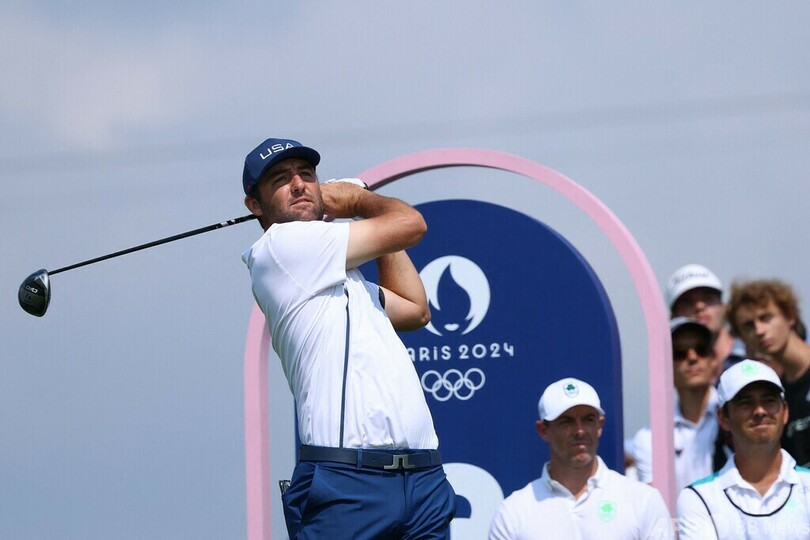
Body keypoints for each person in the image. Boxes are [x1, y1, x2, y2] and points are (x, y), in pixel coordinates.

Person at [240, 138, 455, 539]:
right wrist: (357, 201)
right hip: (346, 481)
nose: (299, 184)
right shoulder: (281, 249)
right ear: (255, 205)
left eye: (307, 174)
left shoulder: (346, 281)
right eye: (281, 179)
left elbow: (415, 309)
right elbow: (411, 224)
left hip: (423, 479)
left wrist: (363, 213)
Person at [489, 377, 673, 540]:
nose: (579, 431)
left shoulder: (643, 501)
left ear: (600, 426)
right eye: (566, 421)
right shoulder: (513, 513)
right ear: (543, 430)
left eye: (588, 419)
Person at [677, 359, 810, 539]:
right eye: (746, 403)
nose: (760, 411)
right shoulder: (699, 498)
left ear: (785, 412)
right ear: (723, 418)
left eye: (769, 400)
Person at [631, 318, 729, 493]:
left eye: (701, 349)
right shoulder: (648, 439)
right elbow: (657, 503)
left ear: (713, 359)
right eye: (679, 353)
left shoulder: (736, 419)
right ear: (664, 365)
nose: (692, 357)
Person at [726, 279, 810, 467]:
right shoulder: (775, 394)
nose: (759, 330)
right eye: (748, 325)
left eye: (766, 318)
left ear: (790, 316)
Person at [665, 264, 746, 379]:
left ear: (724, 306)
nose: (699, 306)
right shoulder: (675, 377)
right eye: (687, 302)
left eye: (708, 297)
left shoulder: (756, 353)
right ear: (673, 317)